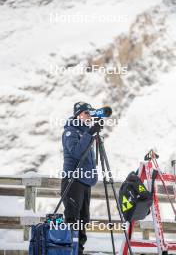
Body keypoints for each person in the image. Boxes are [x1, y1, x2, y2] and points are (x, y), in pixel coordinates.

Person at [61, 102, 102, 255]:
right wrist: (89, 133)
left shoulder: (86, 134)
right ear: (78, 115)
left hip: (84, 182)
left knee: (83, 220)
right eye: (87, 113)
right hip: (72, 181)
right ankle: (68, 251)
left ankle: (78, 251)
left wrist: (91, 133)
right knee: (73, 219)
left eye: (91, 113)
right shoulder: (70, 132)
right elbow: (77, 153)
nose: (89, 116)